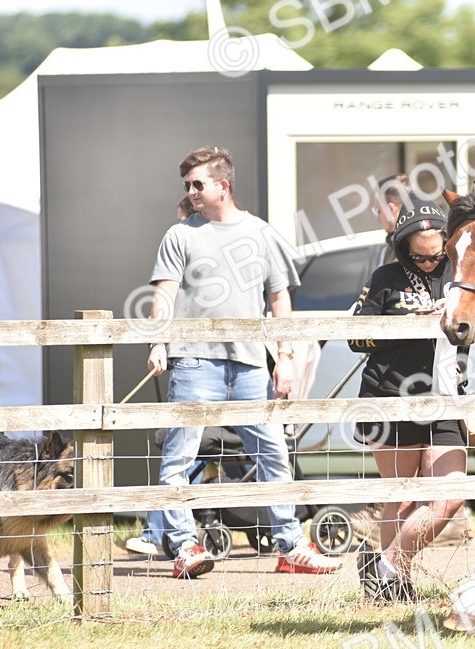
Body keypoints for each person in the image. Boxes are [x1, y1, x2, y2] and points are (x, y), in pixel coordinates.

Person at [131, 146, 342, 579]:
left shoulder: (262, 234)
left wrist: (284, 358)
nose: (191, 192)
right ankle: (184, 547)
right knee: (179, 456)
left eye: (198, 184)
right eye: (187, 185)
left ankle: (290, 547)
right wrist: (158, 342)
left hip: (250, 365)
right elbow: (164, 295)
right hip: (193, 365)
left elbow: (280, 299)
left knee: (273, 453)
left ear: (223, 185)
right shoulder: (180, 235)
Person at [350, 193, 469, 602]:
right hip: (391, 395)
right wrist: (406, 324)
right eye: (420, 258)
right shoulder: (385, 278)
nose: (430, 264)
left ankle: (383, 568)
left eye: (436, 256)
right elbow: (355, 336)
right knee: (400, 498)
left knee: (449, 497)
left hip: (445, 394)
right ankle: (395, 584)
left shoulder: (462, 271)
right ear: (404, 247)